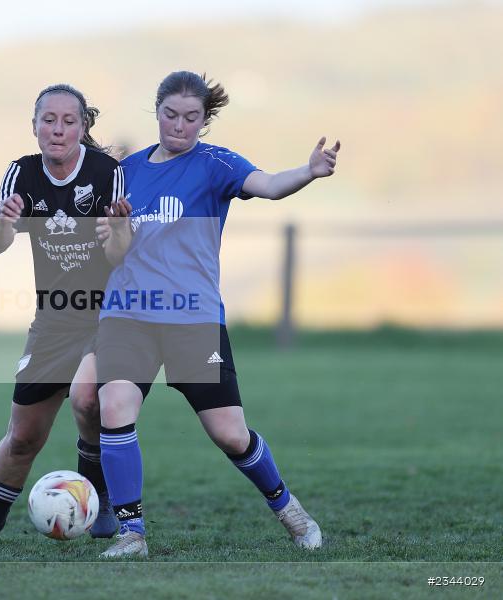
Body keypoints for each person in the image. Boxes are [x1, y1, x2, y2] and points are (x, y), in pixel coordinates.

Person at [93, 70, 341, 558]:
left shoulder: (216, 164)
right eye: (170, 115)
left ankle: (291, 511)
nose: (179, 126)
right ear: (157, 111)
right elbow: (115, 254)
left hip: (192, 317)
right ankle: (131, 533)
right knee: (115, 407)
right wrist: (117, 228)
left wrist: (308, 171)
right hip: (129, 315)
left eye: (191, 118)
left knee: (229, 433)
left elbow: (268, 185)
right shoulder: (127, 171)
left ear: (205, 122)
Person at [0, 84, 132, 545]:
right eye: (48, 120)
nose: (58, 129)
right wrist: (4, 222)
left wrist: (118, 230)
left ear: (83, 127)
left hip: (104, 318)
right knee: (25, 435)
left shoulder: (108, 172)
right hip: (52, 322)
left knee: (85, 398)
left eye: (69, 121)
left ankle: (99, 495)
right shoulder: (22, 173)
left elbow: (119, 256)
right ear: (34, 127)